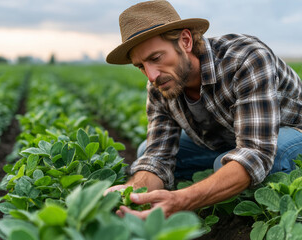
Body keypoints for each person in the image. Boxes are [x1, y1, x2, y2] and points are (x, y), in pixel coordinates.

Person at [105, 0, 302, 219]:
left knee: (229, 163)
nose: (152, 75)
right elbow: (157, 157)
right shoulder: (159, 86)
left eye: (156, 58)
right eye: (141, 66)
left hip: (287, 134)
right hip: (230, 141)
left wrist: (183, 200)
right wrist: (132, 193)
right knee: (145, 154)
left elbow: (256, 152)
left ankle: (226, 175)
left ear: (186, 41)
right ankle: (226, 176)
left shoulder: (246, 58)